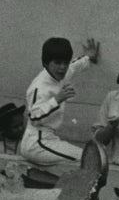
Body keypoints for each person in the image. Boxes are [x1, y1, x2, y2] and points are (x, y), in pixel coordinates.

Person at [19, 36, 99, 165]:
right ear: (45, 63)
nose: (62, 67)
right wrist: (57, 99)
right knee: (85, 159)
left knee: (86, 156)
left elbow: (74, 66)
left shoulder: (59, 73)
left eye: (65, 63)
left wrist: (88, 57)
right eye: (57, 63)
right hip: (36, 143)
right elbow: (34, 117)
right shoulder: (40, 86)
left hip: (49, 138)